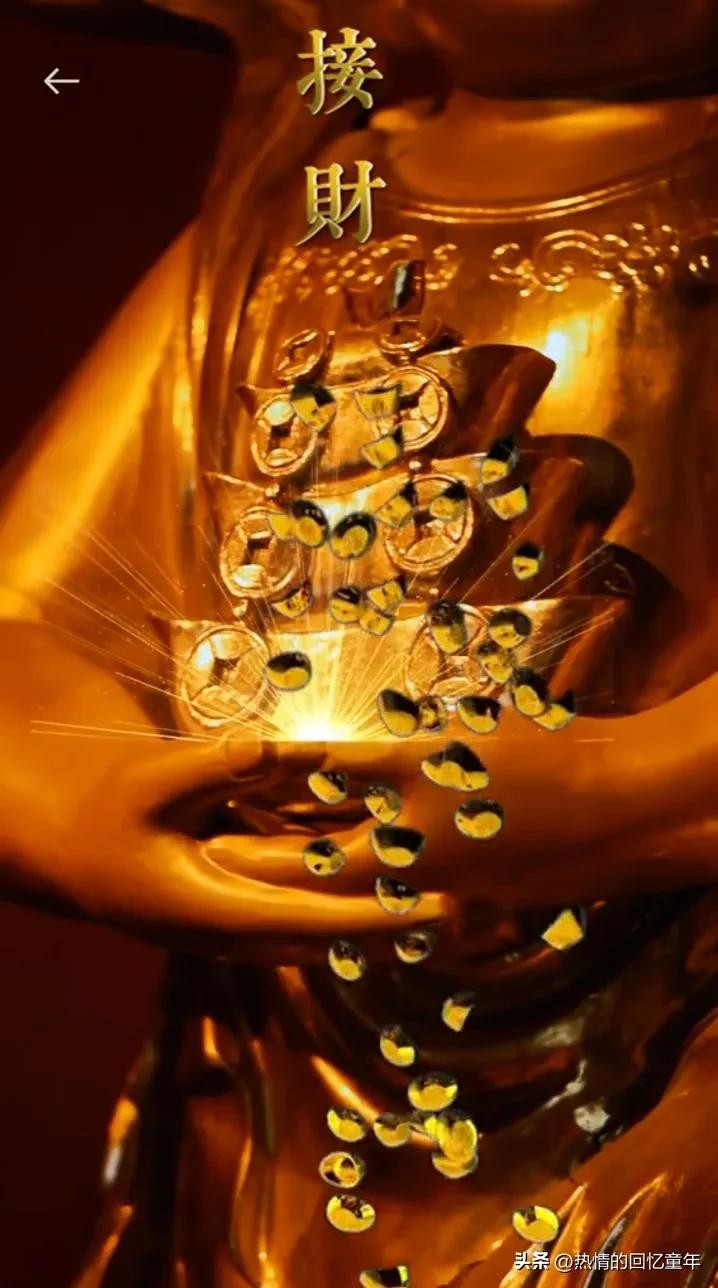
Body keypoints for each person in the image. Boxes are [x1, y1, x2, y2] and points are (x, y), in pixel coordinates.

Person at [3, 1, 718, 1283]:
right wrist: (86, 799)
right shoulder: (302, 216)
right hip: (288, 1042)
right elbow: (24, 619)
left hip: (672, 1028)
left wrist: (619, 786)